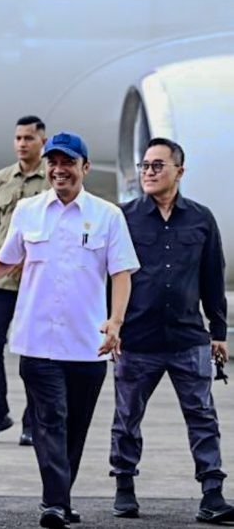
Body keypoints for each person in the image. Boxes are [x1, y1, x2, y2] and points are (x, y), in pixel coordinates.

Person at [0, 131, 139, 529]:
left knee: (75, 428)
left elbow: (121, 273)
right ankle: (53, 502)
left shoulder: (107, 215)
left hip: (88, 345)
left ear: (84, 167)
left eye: (67, 163)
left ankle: (61, 499)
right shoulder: (29, 211)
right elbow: (3, 261)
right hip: (37, 341)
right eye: (53, 163)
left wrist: (116, 321)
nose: (58, 170)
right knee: (50, 420)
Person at [111, 138, 234, 523]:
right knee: (127, 416)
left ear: (179, 171)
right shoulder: (124, 217)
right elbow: (109, 276)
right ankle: (125, 487)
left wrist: (219, 332)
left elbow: (213, 276)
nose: (148, 171)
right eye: (146, 165)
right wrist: (109, 325)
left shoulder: (201, 218)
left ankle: (212, 494)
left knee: (202, 415)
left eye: (158, 165)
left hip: (187, 338)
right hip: (136, 339)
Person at [0, 115, 48, 446]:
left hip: (36, 285)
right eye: (18, 138)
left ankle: (32, 421)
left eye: (29, 138)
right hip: (1, 285)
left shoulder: (53, 179)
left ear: (42, 141)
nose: (22, 143)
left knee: (33, 353)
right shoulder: (1, 180)